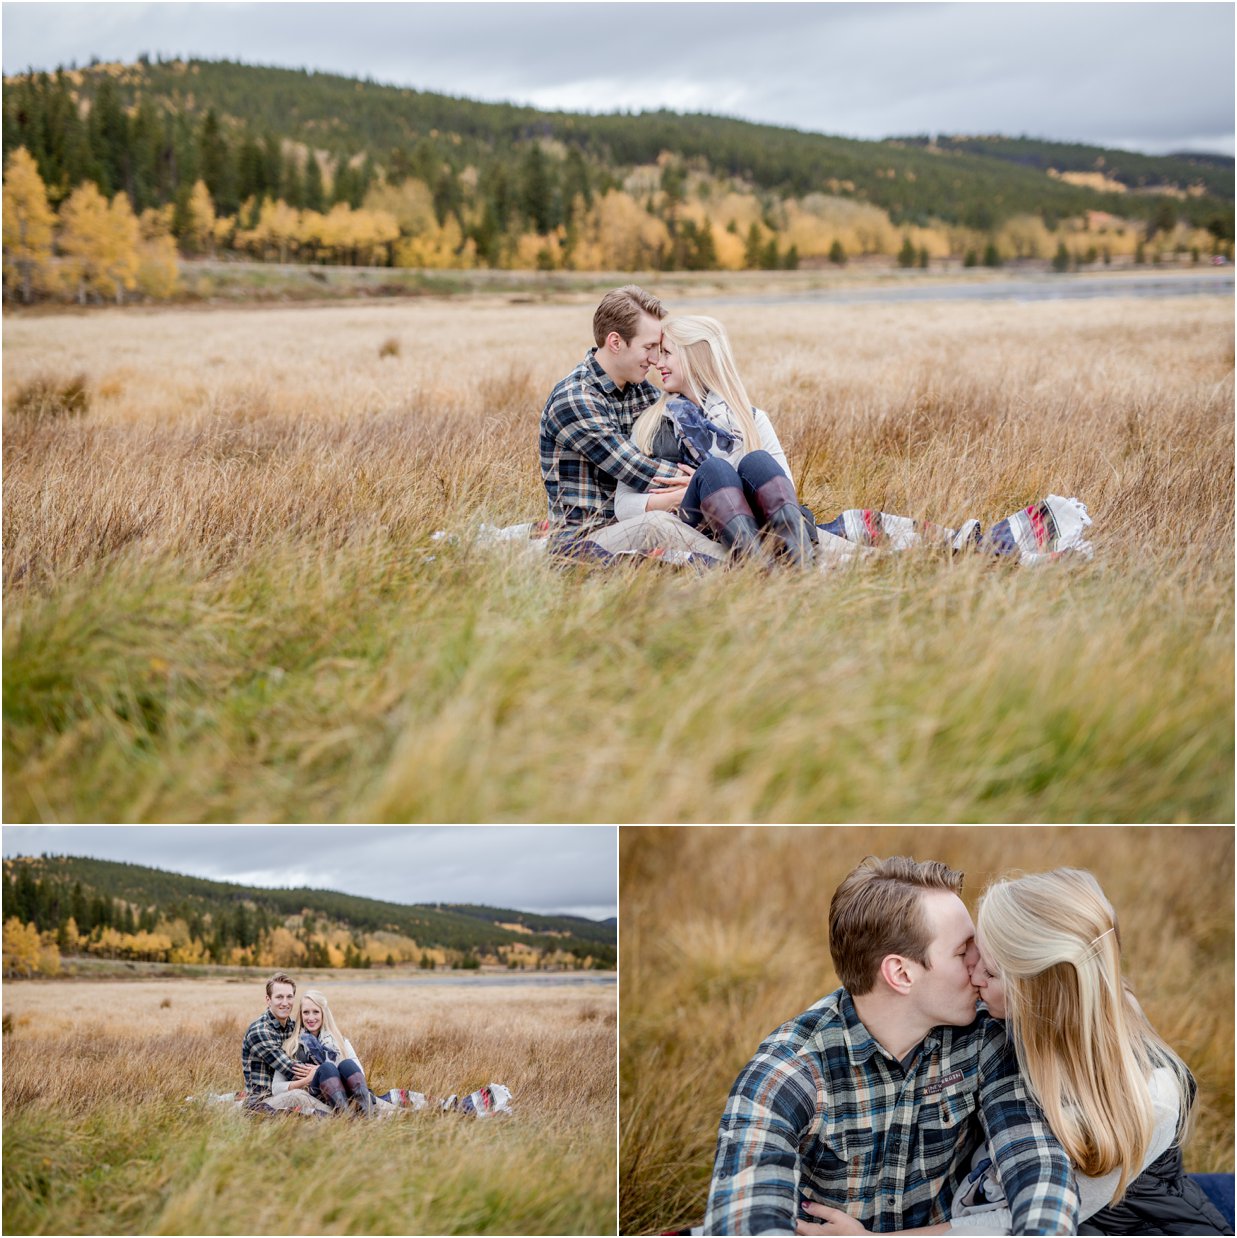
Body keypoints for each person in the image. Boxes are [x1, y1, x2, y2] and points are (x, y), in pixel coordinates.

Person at [800, 869, 1229, 1236]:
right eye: (972, 955)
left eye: (989, 969)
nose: (973, 975)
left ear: (1036, 991)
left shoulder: (1149, 1097)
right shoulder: (1006, 1021)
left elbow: (1007, 1222)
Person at [703, 856, 1079, 1235]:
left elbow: (1038, 1167)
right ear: (901, 973)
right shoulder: (790, 1072)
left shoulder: (985, 1039)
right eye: (963, 951)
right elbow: (746, 1219)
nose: (980, 964)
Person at [538, 285, 723, 561]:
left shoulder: (642, 393)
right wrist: (708, 483)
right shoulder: (575, 399)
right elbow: (638, 470)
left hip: (633, 520)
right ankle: (747, 566)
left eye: (659, 349)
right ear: (615, 342)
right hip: (584, 539)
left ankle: (781, 544)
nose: (655, 359)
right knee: (657, 524)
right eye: (648, 347)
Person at [617, 314, 816, 568]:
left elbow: (785, 493)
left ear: (694, 357)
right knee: (715, 470)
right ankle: (757, 569)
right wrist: (689, 493)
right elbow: (622, 505)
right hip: (695, 527)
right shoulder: (650, 425)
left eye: (667, 353)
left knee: (758, 462)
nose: (658, 362)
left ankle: (801, 564)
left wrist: (722, 489)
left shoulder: (751, 419)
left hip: (756, 523)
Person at [272, 988, 514, 1119]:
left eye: (315, 1012)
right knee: (326, 1069)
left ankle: (364, 1115)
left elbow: (359, 1073)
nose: (311, 1018)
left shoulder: (338, 1040)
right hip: (317, 1095)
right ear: (300, 1016)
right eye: (306, 1013)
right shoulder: (291, 1046)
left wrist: (336, 1067)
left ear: (324, 1014)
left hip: (347, 1094)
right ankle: (347, 1119)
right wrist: (308, 1078)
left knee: (344, 1064)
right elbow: (277, 1089)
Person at [240, 971, 321, 1113]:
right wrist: (323, 1071)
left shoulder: (294, 1027)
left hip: (286, 1092)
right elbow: (292, 1070)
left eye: (289, 997)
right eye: (279, 997)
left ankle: (360, 1106)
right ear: (268, 999)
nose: (285, 1002)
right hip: (262, 1101)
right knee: (299, 1095)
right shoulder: (260, 1031)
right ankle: (344, 1117)